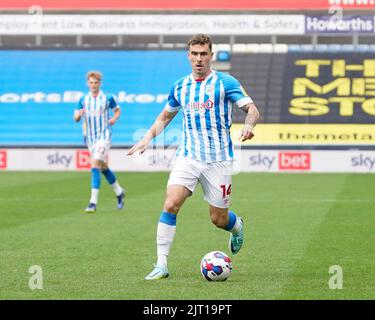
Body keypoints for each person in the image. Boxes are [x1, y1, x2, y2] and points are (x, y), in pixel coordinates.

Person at [128, 34, 259, 280]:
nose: (199, 59)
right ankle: (161, 264)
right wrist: (147, 139)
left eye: (203, 54)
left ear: (211, 55)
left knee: (218, 219)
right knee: (171, 203)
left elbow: (251, 109)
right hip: (188, 157)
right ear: (188, 56)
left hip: (218, 160)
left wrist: (249, 126)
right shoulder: (180, 86)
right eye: (194, 54)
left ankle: (236, 225)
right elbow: (166, 117)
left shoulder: (225, 82)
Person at [74, 71, 125, 213]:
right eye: (91, 82)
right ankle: (119, 192)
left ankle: (93, 202)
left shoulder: (107, 98)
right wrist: (78, 115)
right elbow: (75, 118)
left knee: (95, 164)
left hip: (104, 136)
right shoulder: (83, 99)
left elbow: (117, 110)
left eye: (96, 82)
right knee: (103, 167)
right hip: (90, 138)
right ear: (87, 83)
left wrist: (114, 119)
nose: (93, 85)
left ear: (99, 83)